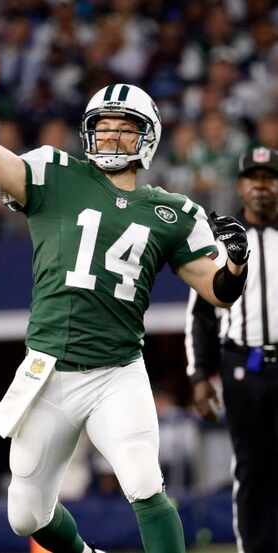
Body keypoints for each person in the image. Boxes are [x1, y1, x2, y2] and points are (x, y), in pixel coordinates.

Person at [0, 59, 249, 553]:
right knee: (25, 516)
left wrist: (235, 266)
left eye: (124, 129)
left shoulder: (172, 211)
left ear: (146, 139)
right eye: (102, 127)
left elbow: (217, 291)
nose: (110, 138)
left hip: (116, 371)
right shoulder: (53, 173)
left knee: (145, 482)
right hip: (49, 368)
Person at [186, 146, 278, 553]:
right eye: (253, 178)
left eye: (269, 178)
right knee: (251, 468)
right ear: (241, 187)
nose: (261, 186)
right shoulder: (225, 243)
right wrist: (199, 376)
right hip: (243, 365)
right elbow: (201, 315)